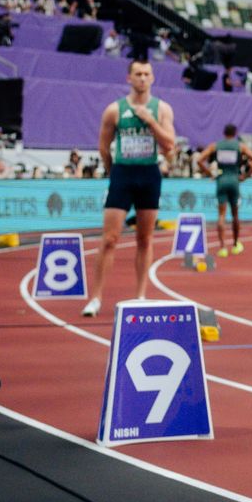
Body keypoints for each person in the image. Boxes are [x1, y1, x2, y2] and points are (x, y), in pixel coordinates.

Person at [83, 59, 176, 317]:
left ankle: (140, 295)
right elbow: (103, 146)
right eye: (138, 74)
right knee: (110, 239)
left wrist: (151, 122)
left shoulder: (162, 109)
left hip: (149, 174)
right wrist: (112, 170)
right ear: (129, 78)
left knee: (144, 239)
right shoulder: (114, 110)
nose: (142, 78)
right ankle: (96, 298)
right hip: (123, 173)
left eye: (147, 74)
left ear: (153, 78)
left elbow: (170, 144)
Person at [194, 124, 252, 258]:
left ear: (224, 133)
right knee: (235, 214)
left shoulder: (216, 146)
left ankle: (222, 247)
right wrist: (245, 176)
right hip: (234, 181)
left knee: (221, 215)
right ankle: (236, 244)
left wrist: (210, 173)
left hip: (221, 180)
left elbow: (199, 160)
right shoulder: (240, 146)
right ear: (235, 133)